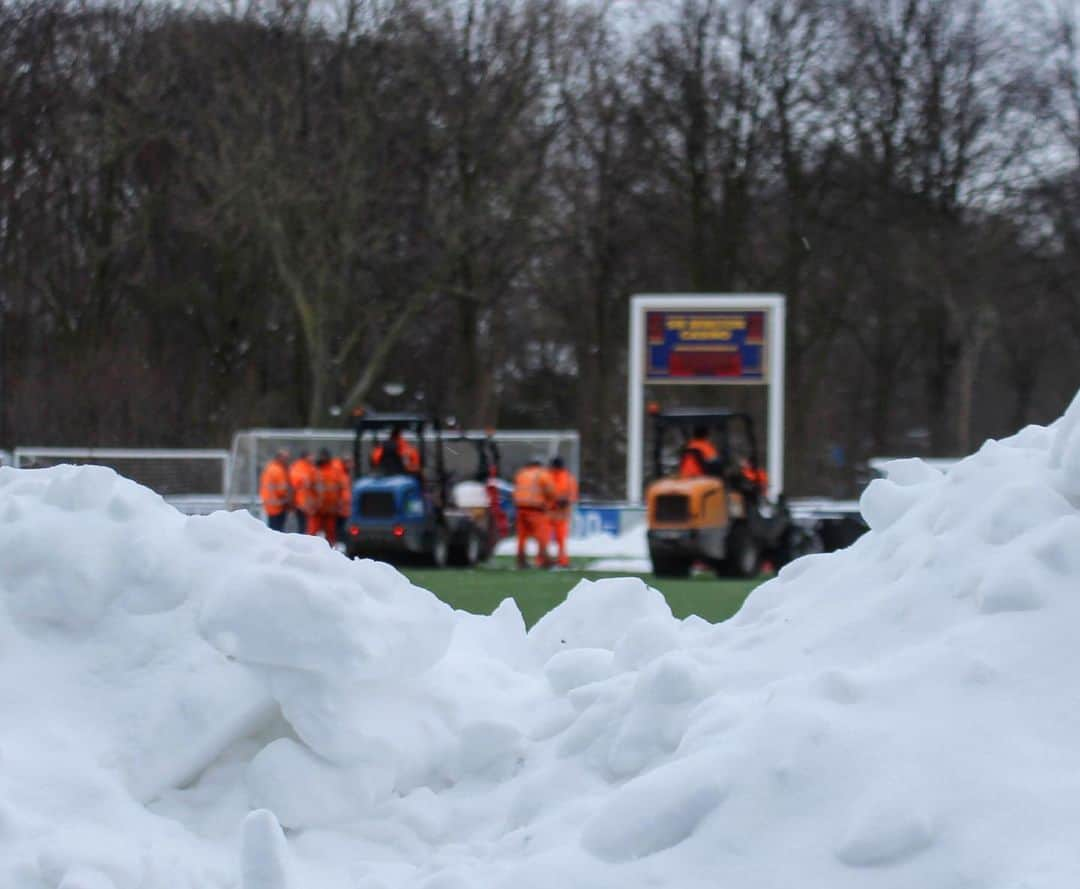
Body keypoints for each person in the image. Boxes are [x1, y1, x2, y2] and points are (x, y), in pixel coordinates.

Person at [513, 456, 555, 569]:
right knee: (542, 536)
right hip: (536, 509)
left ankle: (520, 561)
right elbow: (550, 491)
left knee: (522, 537)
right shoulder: (542, 474)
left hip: (520, 508)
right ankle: (544, 560)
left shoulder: (521, 474)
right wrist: (549, 503)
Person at [546, 455, 578, 569]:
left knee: (548, 539)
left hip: (552, 513)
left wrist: (556, 502)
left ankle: (546, 560)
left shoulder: (548, 477)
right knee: (559, 540)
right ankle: (561, 561)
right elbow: (573, 495)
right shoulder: (568, 478)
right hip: (559, 513)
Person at [308, 449, 344, 545]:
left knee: (331, 534)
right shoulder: (314, 471)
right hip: (317, 509)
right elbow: (308, 489)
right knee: (312, 533)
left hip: (330, 508)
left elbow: (340, 488)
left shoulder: (335, 471)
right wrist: (310, 504)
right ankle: (310, 551)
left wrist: (339, 504)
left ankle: (331, 552)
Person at [259, 449, 292, 532]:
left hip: (269, 503)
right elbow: (282, 490)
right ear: (280, 458)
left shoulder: (269, 468)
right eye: (285, 458)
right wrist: (288, 498)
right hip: (278, 505)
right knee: (277, 531)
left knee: (272, 529)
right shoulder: (279, 470)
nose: (287, 460)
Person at [288, 450, 316, 532]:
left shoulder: (310, 468)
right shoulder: (298, 467)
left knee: (307, 526)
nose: (312, 458)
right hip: (301, 503)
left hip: (308, 503)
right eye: (310, 456)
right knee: (302, 525)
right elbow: (295, 483)